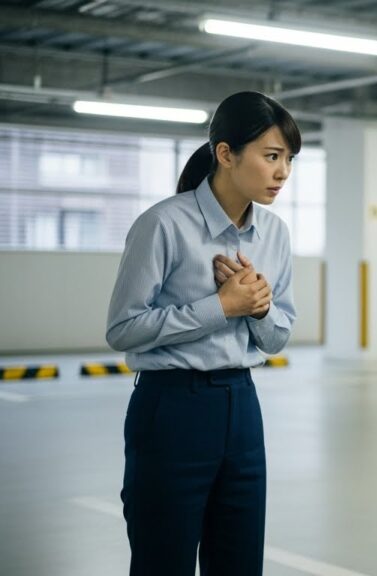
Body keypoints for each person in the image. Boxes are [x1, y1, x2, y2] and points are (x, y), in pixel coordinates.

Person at [106, 91, 300, 575]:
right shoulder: (163, 224)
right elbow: (123, 329)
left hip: (243, 410)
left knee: (239, 563)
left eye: (289, 159)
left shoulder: (275, 234)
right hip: (172, 410)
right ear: (226, 154)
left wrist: (257, 309)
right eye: (271, 156)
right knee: (163, 561)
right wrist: (220, 306)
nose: (283, 172)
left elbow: (277, 339)